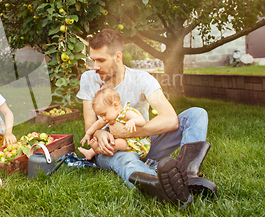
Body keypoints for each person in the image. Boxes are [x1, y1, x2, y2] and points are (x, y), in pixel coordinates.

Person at [77, 28, 217, 206]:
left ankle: (188, 174)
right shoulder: (89, 79)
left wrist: (131, 132)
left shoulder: (142, 79)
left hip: (145, 143)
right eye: (93, 60)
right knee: (125, 159)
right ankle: (163, 188)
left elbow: (171, 120)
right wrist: (100, 134)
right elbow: (90, 123)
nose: (95, 66)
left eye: (101, 60)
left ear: (118, 57)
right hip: (113, 147)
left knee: (197, 114)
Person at [78, 88, 149, 161]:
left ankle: (100, 150)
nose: (103, 118)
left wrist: (133, 121)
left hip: (136, 145)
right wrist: (88, 134)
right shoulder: (109, 117)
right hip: (123, 144)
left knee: (118, 142)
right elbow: (98, 123)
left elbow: (142, 121)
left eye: (104, 114)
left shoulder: (127, 113)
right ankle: (90, 152)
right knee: (107, 139)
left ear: (115, 106)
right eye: (101, 116)